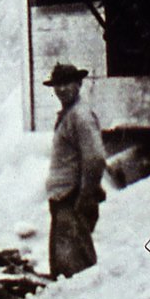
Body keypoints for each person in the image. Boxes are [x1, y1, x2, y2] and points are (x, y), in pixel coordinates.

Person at [43, 62, 107, 280]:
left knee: (75, 271)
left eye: (67, 83)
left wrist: (86, 196)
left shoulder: (80, 116)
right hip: (63, 200)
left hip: (73, 200)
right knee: (63, 266)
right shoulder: (69, 114)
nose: (61, 89)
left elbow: (95, 158)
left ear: (79, 84)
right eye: (57, 85)